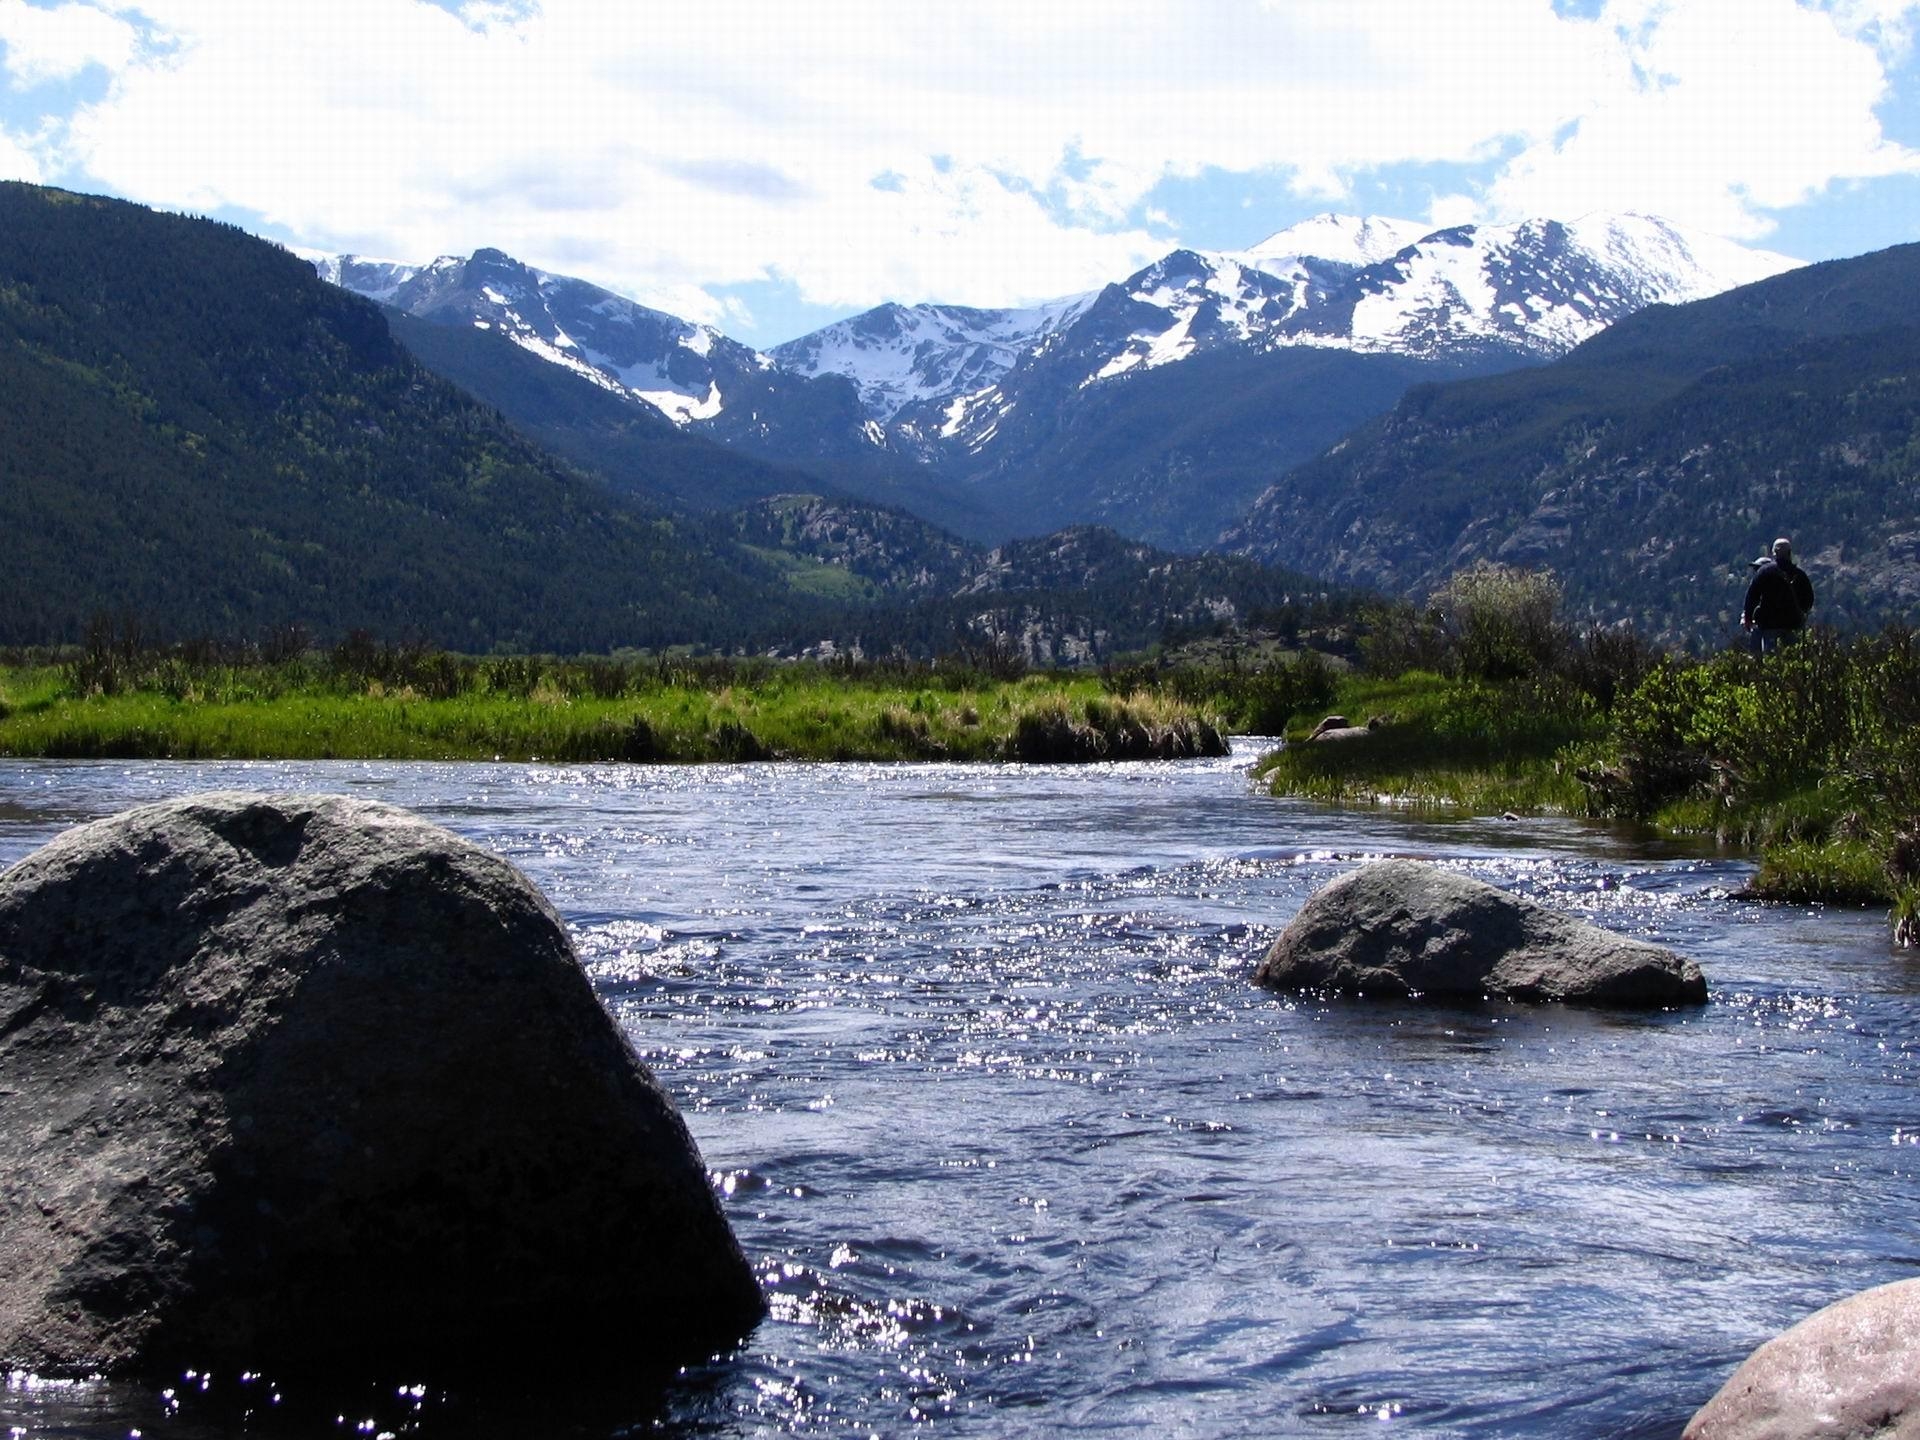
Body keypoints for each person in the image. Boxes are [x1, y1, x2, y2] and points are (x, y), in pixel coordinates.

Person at [1742, 537, 1814, 653]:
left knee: (1772, 658)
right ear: (1790, 553)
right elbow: (1808, 599)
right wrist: (1801, 613)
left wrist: (1748, 618)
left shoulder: (1764, 572)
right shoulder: (1799, 575)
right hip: (1793, 624)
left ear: (1774, 553)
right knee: (1792, 657)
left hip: (1769, 625)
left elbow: (1752, 596)